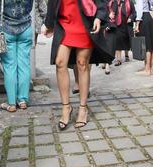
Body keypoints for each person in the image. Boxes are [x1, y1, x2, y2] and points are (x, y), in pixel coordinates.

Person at [42, 0, 112, 130]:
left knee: (82, 64)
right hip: (64, 24)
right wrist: (48, 23)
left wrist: (99, 17)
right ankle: (66, 107)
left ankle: (83, 108)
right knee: (60, 62)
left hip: (84, 23)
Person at [0, 0, 34, 112]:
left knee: (10, 66)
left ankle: (11, 103)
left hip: (6, 29)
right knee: (24, 65)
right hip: (25, 28)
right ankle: (23, 100)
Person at [109, 0, 136, 67]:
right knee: (118, 41)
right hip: (118, 25)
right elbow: (111, 11)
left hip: (127, 24)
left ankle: (126, 55)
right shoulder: (114, 2)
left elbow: (134, 13)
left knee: (126, 40)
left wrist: (131, 17)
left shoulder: (129, 2)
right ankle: (119, 60)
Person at [135, 0, 153, 76]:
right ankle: (150, 68)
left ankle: (147, 69)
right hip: (149, 18)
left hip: (143, 18)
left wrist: (137, 24)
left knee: (147, 44)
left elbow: (139, 8)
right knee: (152, 44)